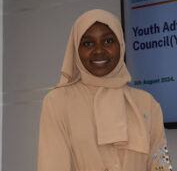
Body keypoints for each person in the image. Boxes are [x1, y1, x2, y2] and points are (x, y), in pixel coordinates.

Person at [37, 9, 172, 171]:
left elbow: (160, 164)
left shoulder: (146, 103)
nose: (99, 50)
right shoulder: (58, 102)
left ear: (121, 44)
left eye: (108, 41)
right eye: (88, 43)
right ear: (76, 50)